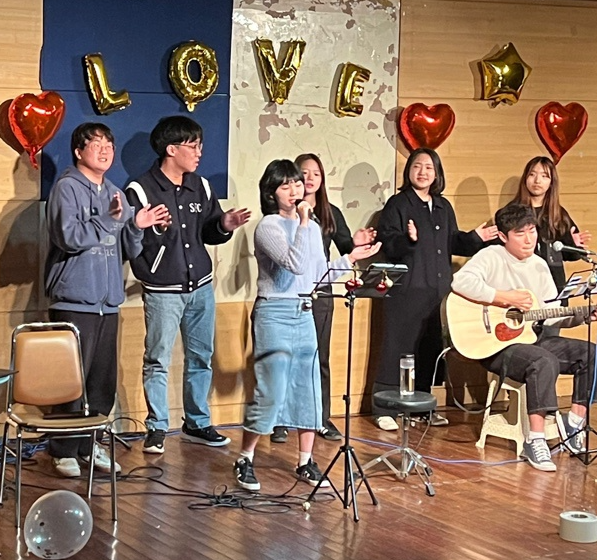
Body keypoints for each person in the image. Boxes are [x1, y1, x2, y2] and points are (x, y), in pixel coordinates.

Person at [235, 160, 379, 491]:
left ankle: (305, 461)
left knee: (308, 389)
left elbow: (316, 276)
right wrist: (302, 222)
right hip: (274, 312)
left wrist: (351, 258)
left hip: (305, 312)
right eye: (285, 185)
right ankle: (244, 457)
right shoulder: (268, 226)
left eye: (297, 184)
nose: (294, 190)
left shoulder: (312, 227)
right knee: (270, 390)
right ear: (271, 193)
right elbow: (295, 264)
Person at [43, 122, 170, 477]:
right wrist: (109, 219)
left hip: (108, 301)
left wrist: (137, 226)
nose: (105, 150)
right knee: (70, 381)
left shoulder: (115, 192)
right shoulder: (67, 188)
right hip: (74, 299)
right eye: (96, 144)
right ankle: (63, 450)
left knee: (101, 382)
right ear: (78, 151)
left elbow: (128, 250)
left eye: (109, 145)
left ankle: (89, 444)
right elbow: (68, 237)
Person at [124, 116, 251, 454]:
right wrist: (150, 229)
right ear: (171, 149)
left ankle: (197, 422)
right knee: (157, 359)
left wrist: (224, 225)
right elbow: (131, 242)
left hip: (201, 287)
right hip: (163, 289)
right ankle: (156, 427)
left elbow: (209, 230)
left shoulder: (201, 186)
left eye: (199, 146)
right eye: (193, 146)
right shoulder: (140, 189)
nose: (199, 153)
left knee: (201, 356)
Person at [451, 205, 597, 472]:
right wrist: (504, 297)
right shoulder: (491, 256)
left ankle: (574, 426)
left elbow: (552, 314)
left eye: (532, 231)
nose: (528, 239)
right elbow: (460, 282)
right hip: (496, 347)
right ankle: (536, 441)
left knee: (594, 355)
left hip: (532, 338)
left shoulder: (539, 265)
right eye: (520, 233)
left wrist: (582, 316)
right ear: (503, 236)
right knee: (542, 361)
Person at [371, 148, 496, 431]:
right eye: (417, 166)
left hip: (437, 293)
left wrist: (476, 238)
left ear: (437, 173)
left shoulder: (443, 206)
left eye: (429, 167)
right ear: (409, 171)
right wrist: (409, 239)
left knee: (428, 351)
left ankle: (421, 409)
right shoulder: (398, 204)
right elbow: (388, 244)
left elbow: (453, 242)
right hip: (406, 292)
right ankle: (384, 409)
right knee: (397, 350)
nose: (423, 172)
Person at [268, 153, 371, 444]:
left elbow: (345, 246)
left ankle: (320, 418)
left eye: (316, 173)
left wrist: (357, 243)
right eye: (304, 173)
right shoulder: (284, 214)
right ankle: (281, 420)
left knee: (318, 358)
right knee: (286, 357)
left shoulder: (329, 212)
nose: (310, 178)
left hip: (321, 291)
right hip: (290, 292)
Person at [510, 156, 592, 290]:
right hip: (522, 284)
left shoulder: (558, 214)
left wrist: (572, 243)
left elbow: (571, 256)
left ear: (551, 182)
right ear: (525, 178)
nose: (537, 180)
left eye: (544, 176)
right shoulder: (511, 213)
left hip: (554, 284)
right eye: (532, 174)